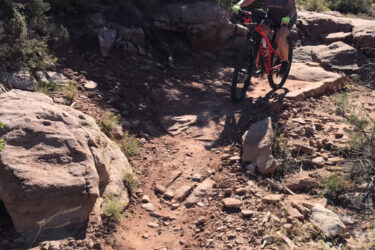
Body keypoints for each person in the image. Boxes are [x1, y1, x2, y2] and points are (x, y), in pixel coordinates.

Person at [232, 0, 297, 75]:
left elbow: (293, 8)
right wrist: (238, 5)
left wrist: (289, 17)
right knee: (260, 34)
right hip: (272, 16)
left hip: (287, 16)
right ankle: (254, 65)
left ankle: (285, 62)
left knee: (280, 37)